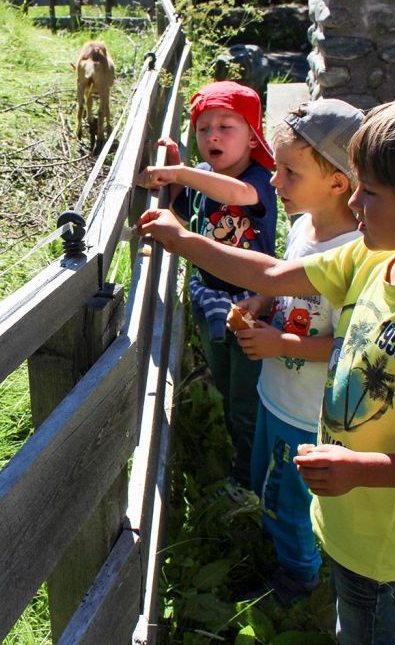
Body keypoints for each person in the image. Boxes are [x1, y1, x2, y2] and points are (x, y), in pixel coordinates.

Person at [135, 90, 395, 644]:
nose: (355, 202)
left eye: (372, 191)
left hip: (383, 540)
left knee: (367, 627)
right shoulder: (375, 257)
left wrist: (362, 469)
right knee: (347, 612)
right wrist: (186, 240)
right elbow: (272, 277)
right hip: (343, 513)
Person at [233, 99, 364, 605]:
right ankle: (291, 551)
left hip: (308, 411)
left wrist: (279, 342)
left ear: (338, 180)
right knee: (268, 480)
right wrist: (261, 300)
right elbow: (287, 282)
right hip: (277, 391)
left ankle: (300, 578)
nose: (275, 180)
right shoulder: (304, 225)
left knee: (287, 502)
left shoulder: (357, 253)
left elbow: (355, 343)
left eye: (289, 171)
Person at [138, 80, 277, 496]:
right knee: (225, 379)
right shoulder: (205, 176)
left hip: (253, 303)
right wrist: (182, 173)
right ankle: (243, 457)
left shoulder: (260, 180)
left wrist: (184, 172)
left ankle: (253, 479)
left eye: (226, 126)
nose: (212, 135)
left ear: (253, 136)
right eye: (203, 128)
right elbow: (188, 208)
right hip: (211, 298)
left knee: (247, 399)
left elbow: (237, 194)